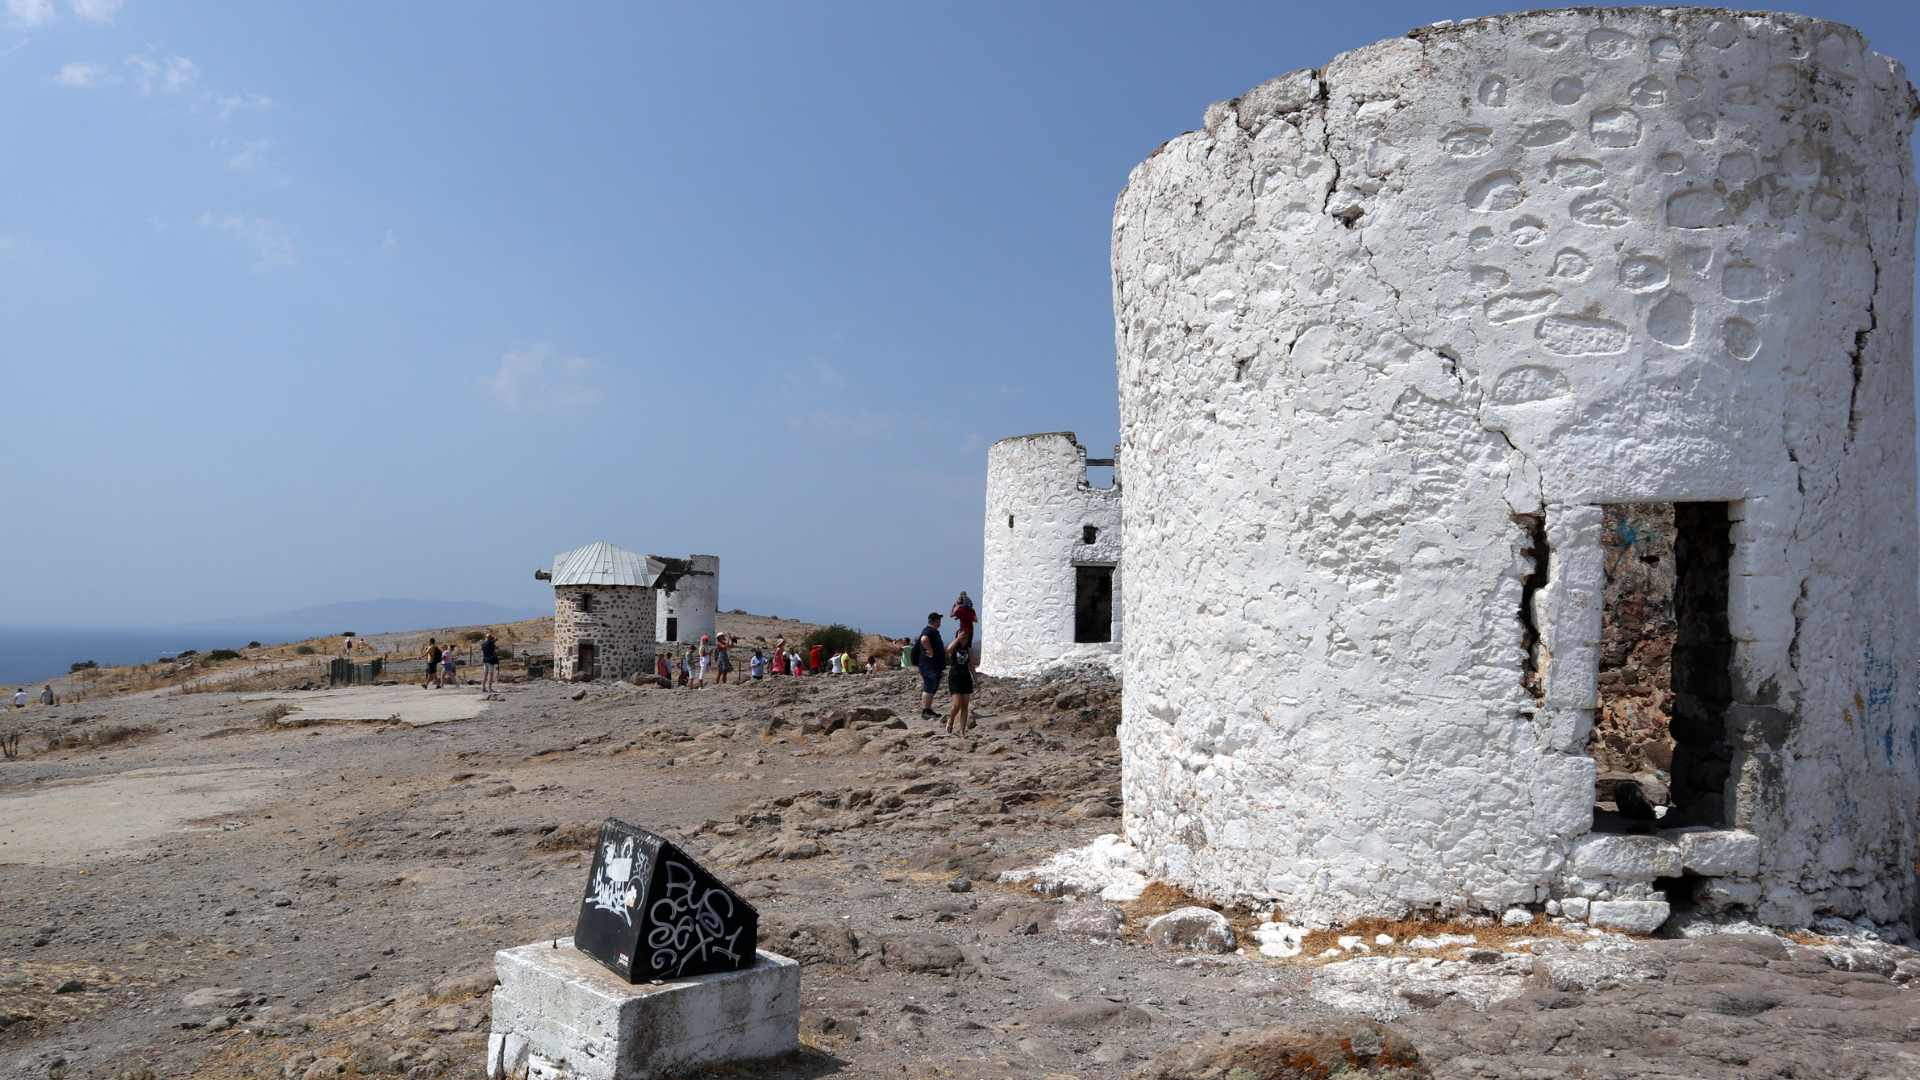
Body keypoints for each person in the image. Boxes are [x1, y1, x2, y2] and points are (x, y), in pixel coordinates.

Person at [914, 612, 945, 720]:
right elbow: (924, 639)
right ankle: (925, 711)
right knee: (929, 686)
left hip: (932, 665)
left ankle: (928, 709)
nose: (940, 622)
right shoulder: (929, 630)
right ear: (935, 621)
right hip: (928, 665)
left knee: (932, 687)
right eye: (939, 620)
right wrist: (930, 650)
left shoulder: (932, 631)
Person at [946, 616, 975, 735]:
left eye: (966, 637)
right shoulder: (954, 648)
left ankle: (962, 731)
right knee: (957, 705)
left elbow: (971, 665)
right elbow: (948, 650)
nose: (964, 638)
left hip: (966, 677)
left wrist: (976, 678)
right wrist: (958, 639)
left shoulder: (968, 649)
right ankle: (951, 719)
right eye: (962, 636)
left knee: (965, 706)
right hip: (955, 676)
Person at [952, 592, 978, 672]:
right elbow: (975, 620)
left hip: (962, 631)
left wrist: (955, 605)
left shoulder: (960, 610)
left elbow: (951, 614)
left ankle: (960, 663)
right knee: (968, 648)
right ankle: (970, 666)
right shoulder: (972, 610)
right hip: (970, 630)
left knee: (959, 647)